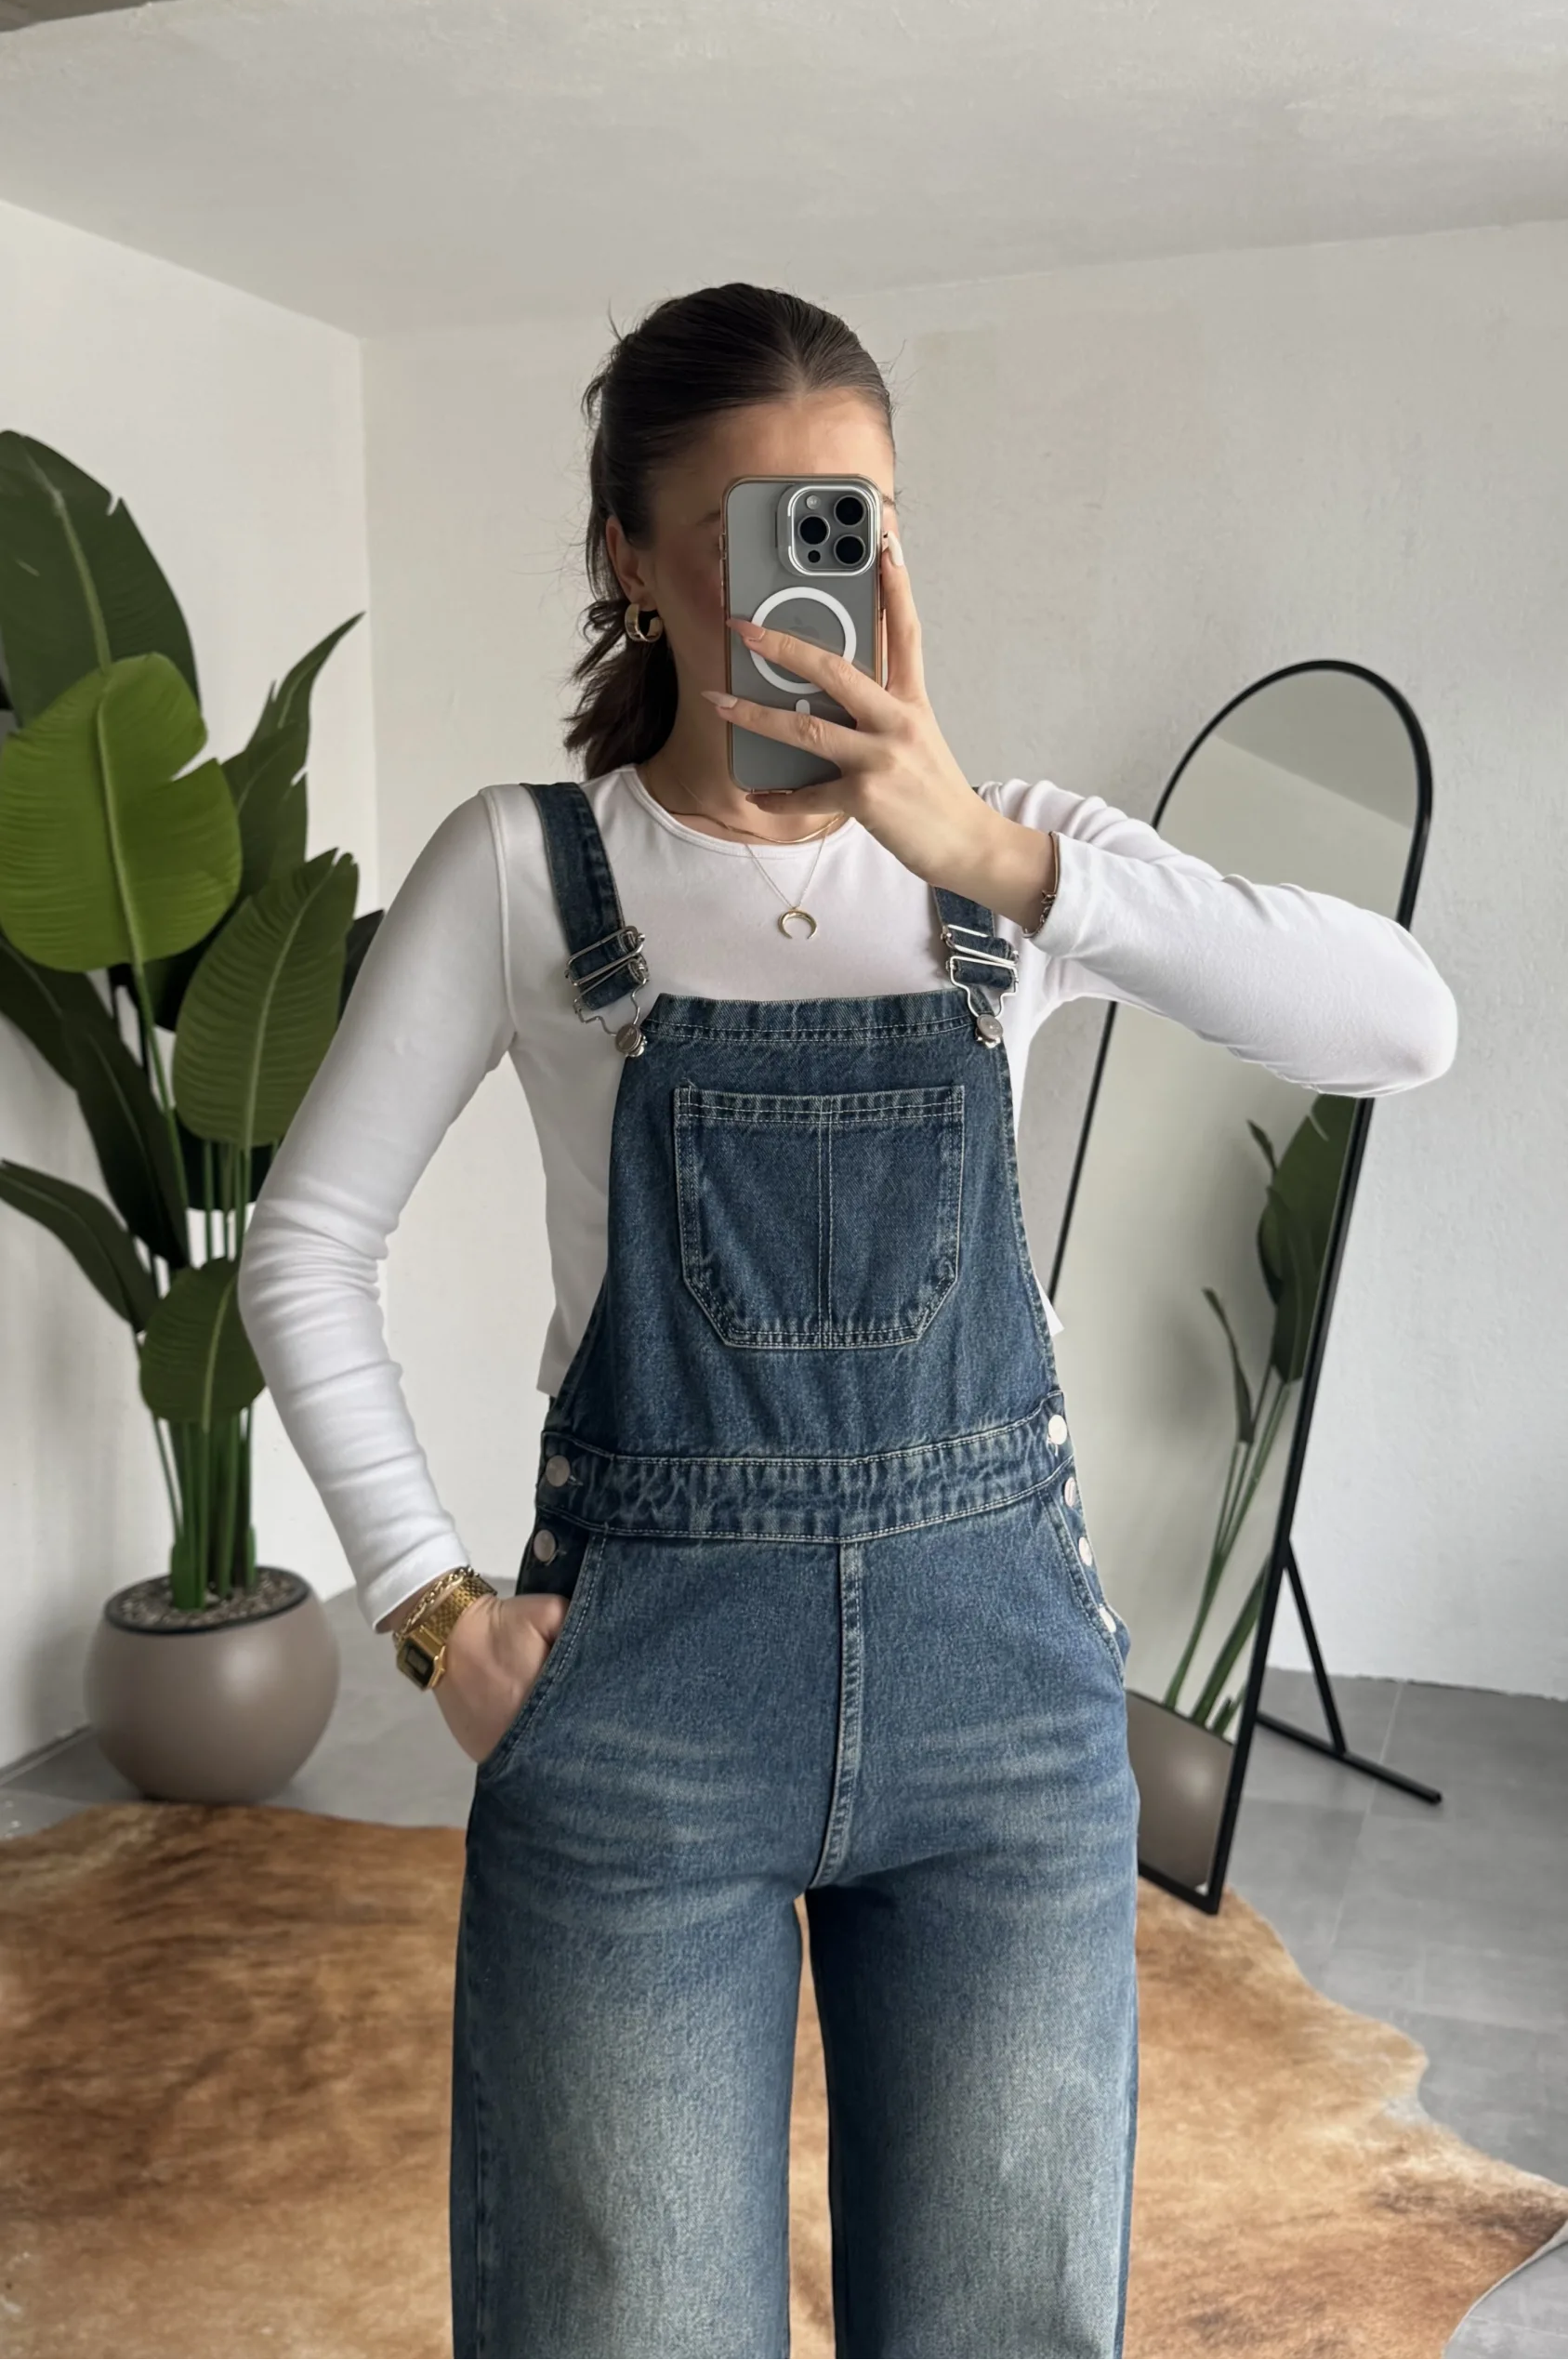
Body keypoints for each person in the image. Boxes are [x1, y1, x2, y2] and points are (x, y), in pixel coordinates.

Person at [236, 282, 1457, 2359]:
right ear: (634, 561)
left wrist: (985, 847)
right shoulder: (531, 871)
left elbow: (1400, 1027)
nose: (807, 584)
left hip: (1004, 1714)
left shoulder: (1015, 865)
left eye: (852, 521)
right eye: (750, 532)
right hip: (640, 1710)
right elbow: (305, 1245)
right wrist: (434, 1613)